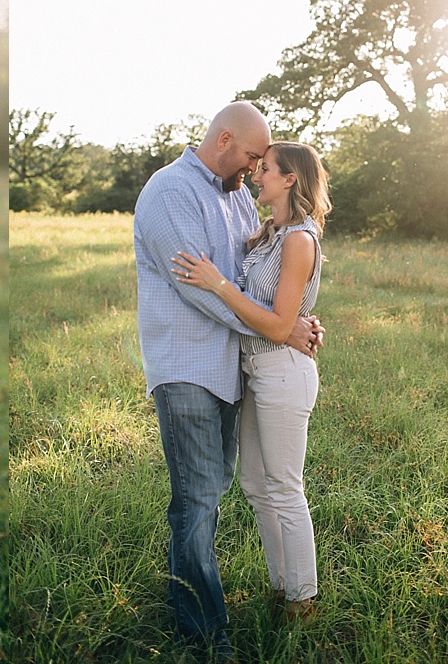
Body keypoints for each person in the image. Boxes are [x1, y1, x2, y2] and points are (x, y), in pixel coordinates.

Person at [132, 101, 320, 659]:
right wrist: (283, 330)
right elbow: (198, 287)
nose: (254, 170)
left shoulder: (239, 196)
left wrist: (291, 320)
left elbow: (253, 281)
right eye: (252, 158)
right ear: (224, 142)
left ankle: (283, 597)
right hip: (187, 368)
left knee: (222, 490)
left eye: (263, 164)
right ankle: (204, 632)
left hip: (236, 370)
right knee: (196, 499)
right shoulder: (169, 193)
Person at [173, 141, 331, 624]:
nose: (256, 175)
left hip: (284, 372)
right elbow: (278, 313)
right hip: (256, 372)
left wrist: (217, 283)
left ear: (290, 180)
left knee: (284, 487)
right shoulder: (268, 234)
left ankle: (302, 600)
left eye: (266, 170)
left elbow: (279, 324)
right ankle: (282, 584)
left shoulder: (300, 240)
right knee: (255, 485)